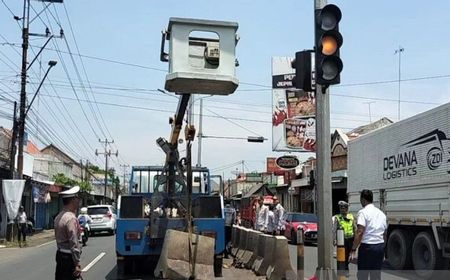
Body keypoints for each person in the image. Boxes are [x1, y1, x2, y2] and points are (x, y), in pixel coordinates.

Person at [349, 190, 387, 280]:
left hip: (367, 248)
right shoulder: (381, 214)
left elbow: (360, 232)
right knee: (376, 276)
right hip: (379, 247)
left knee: (363, 276)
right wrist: (382, 247)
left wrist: (353, 249)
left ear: (363, 199)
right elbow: (385, 233)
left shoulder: (363, 212)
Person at [54, 186, 82, 280]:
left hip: (60, 255)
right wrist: (77, 263)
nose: (78, 201)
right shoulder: (71, 219)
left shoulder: (59, 216)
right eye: (77, 198)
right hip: (69, 258)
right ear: (73, 200)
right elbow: (73, 242)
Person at [333, 200, 356, 273]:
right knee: (342, 255)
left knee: (349, 256)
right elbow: (334, 229)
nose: (343, 210)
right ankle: (343, 270)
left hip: (351, 239)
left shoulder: (351, 217)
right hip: (342, 240)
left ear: (347, 209)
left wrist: (356, 239)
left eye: (344, 208)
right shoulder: (337, 217)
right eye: (341, 208)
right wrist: (334, 239)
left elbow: (354, 227)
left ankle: (345, 267)